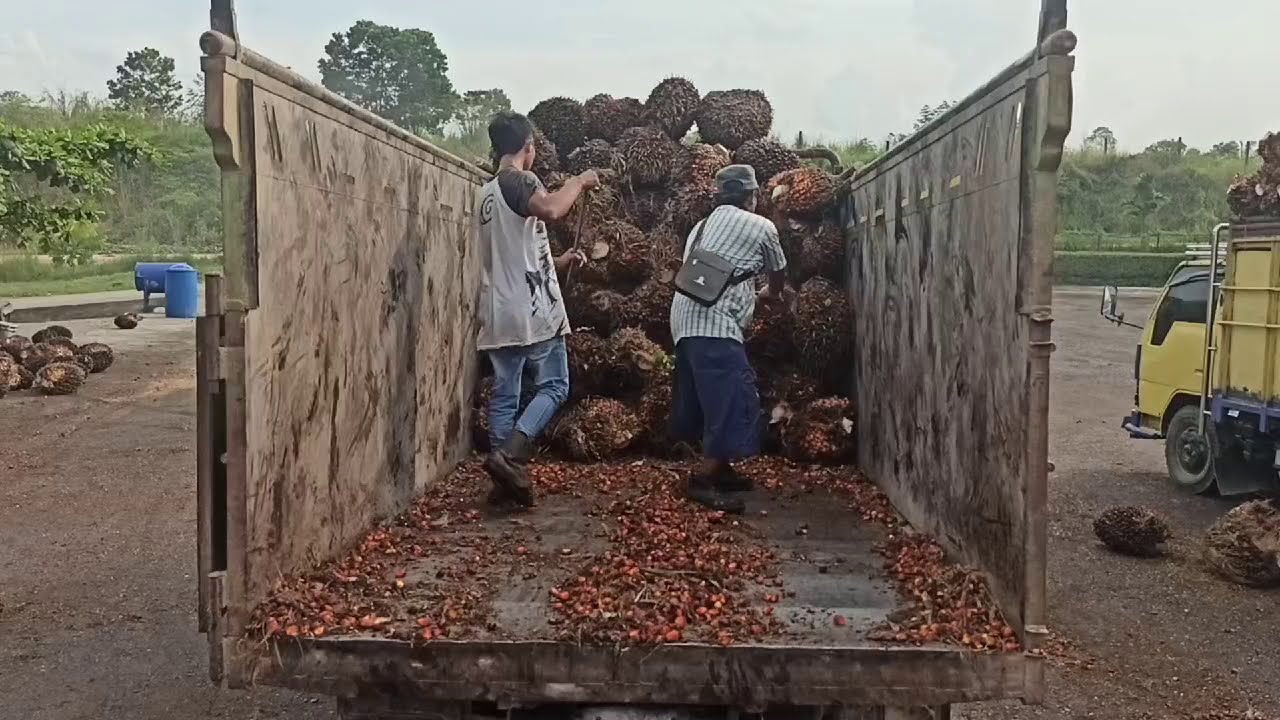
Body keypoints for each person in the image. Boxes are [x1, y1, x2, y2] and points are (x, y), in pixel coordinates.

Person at [477, 111, 600, 507]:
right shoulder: (521, 179)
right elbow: (550, 209)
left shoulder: (486, 193)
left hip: (498, 306)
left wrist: (558, 260)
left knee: (506, 392)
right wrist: (578, 182)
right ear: (528, 147)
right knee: (555, 385)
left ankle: (503, 483)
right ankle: (510, 454)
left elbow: (514, 245)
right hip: (531, 309)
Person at [668, 164, 788, 514]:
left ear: (719, 196)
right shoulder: (761, 226)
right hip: (715, 323)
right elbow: (777, 272)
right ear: (751, 197)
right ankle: (704, 480)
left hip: (684, 320)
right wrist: (770, 294)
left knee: (707, 397)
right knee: (732, 395)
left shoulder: (700, 227)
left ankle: (721, 469)